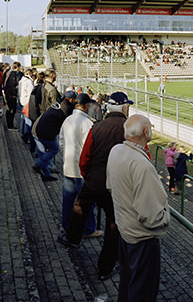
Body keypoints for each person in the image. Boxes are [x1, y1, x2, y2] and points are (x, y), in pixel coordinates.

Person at [59, 91, 133, 282]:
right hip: (116, 185)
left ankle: (73, 239)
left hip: (94, 180)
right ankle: (105, 267)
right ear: (124, 108)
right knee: (113, 224)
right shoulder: (129, 129)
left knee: (79, 207)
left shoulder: (97, 126)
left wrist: (87, 176)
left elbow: (85, 157)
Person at [107, 115, 170, 302]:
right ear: (145, 132)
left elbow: (110, 187)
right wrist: (166, 216)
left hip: (125, 232)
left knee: (127, 285)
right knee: (142, 291)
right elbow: (152, 217)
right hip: (142, 240)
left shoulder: (116, 151)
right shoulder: (142, 165)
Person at [61, 93, 99, 239]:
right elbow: (90, 148)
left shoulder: (68, 120)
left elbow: (61, 140)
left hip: (68, 165)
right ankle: (88, 229)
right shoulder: (87, 123)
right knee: (85, 201)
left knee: (68, 200)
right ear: (86, 106)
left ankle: (67, 226)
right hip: (81, 169)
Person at [33, 91, 75, 181]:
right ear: (71, 100)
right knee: (54, 149)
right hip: (45, 133)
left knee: (44, 154)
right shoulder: (66, 109)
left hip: (39, 129)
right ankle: (38, 165)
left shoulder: (59, 104)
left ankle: (46, 175)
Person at [3, 61, 21, 130]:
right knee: (11, 111)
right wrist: (14, 94)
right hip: (11, 95)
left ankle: (9, 125)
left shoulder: (8, 72)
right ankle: (10, 126)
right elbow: (12, 85)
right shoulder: (13, 74)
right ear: (18, 67)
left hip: (8, 94)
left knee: (9, 110)